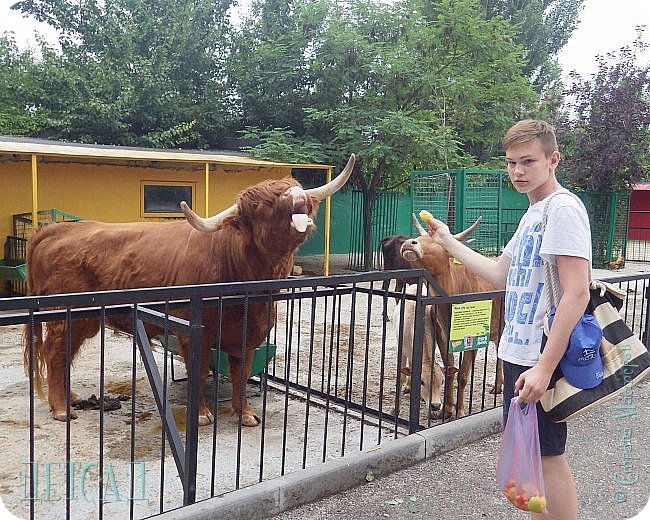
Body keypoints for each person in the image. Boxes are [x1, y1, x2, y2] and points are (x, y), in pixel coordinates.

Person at [424, 119, 591, 520]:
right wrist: (446, 241)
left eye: (527, 161)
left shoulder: (563, 209)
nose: (518, 171)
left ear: (553, 160)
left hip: (540, 356)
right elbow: (499, 273)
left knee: (548, 456)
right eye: (511, 162)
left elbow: (577, 291)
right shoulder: (534, 212)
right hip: (517, 351)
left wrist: (543, 368)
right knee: (535, 456)